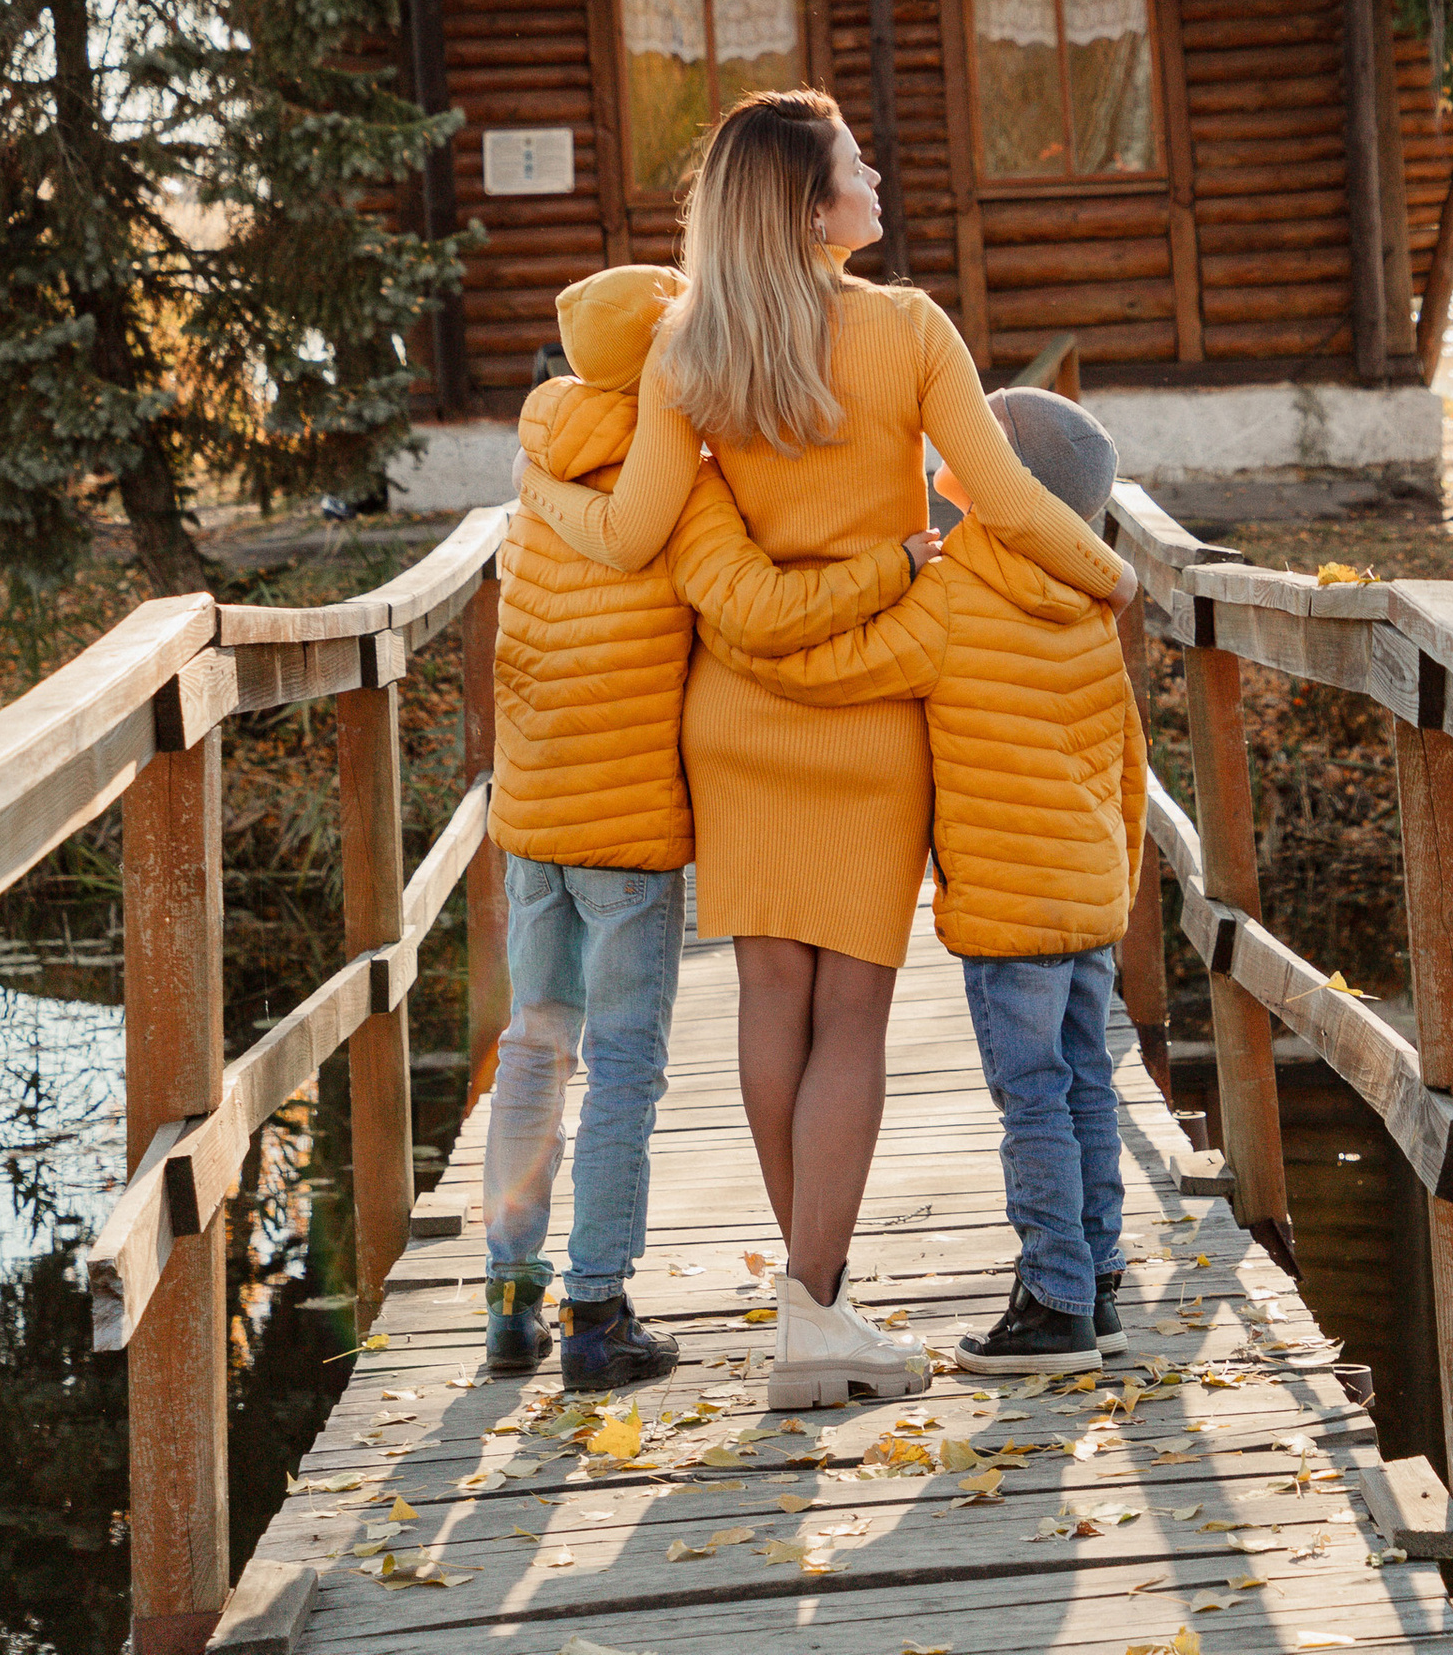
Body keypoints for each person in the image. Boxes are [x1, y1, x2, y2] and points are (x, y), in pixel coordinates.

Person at [515, 86, 1137, 1404]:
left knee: (769, 1002)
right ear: (810, 209)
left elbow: (633, 537)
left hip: (738, 716)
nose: (877, 181)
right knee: (852, 1017)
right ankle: (812, 1314)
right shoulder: (907, 329)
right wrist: (1114, 577)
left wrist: (541, 496)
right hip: (871, 716)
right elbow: (1005, 498)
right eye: (857, 166)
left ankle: (820, 1309)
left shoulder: (688, 350)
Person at [480, 253, 929, 1386]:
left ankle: (510, 1301)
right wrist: (893, 565)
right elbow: (748, 601)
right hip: (628, 819)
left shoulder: (541, 459)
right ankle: (596, 1314)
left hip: (530, 811)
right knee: (624, 1062)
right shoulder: (675, 477)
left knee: (534, 1042)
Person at [716, 383, 1144, 1376]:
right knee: (1086, 1086)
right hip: (1087, 896)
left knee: (1032, 1096)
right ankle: (1098, 1280)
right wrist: (1116, 883)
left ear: (998, 479)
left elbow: (838, 669)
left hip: (1007, 906)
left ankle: (1052, 1302)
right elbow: (1129, 762)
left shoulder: (953, 595)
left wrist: (743, 641)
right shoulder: (1088, 600)